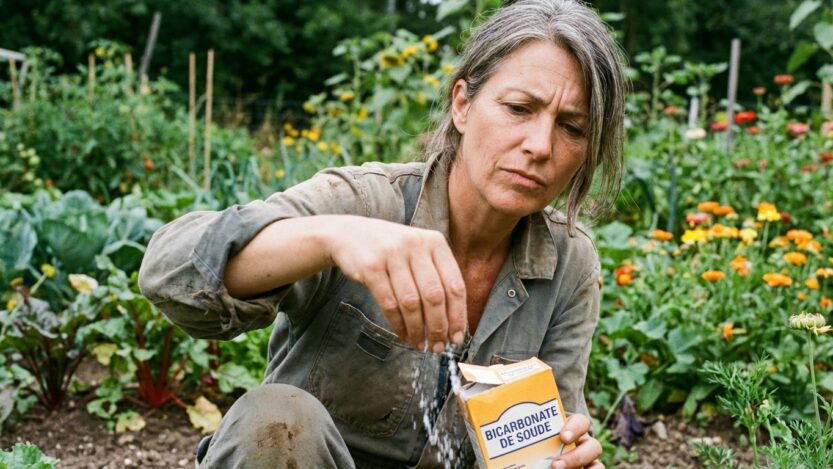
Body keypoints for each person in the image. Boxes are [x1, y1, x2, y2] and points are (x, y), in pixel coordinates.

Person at [139, 0, 626, 467]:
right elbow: (170, 272)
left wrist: (563, 457)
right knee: (275, 420)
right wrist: (333, 239)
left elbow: (547, 442)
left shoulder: (569, 263)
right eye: (519, 108)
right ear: (462, 104)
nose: (540, 146)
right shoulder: (366, 205)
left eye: (571, 128)